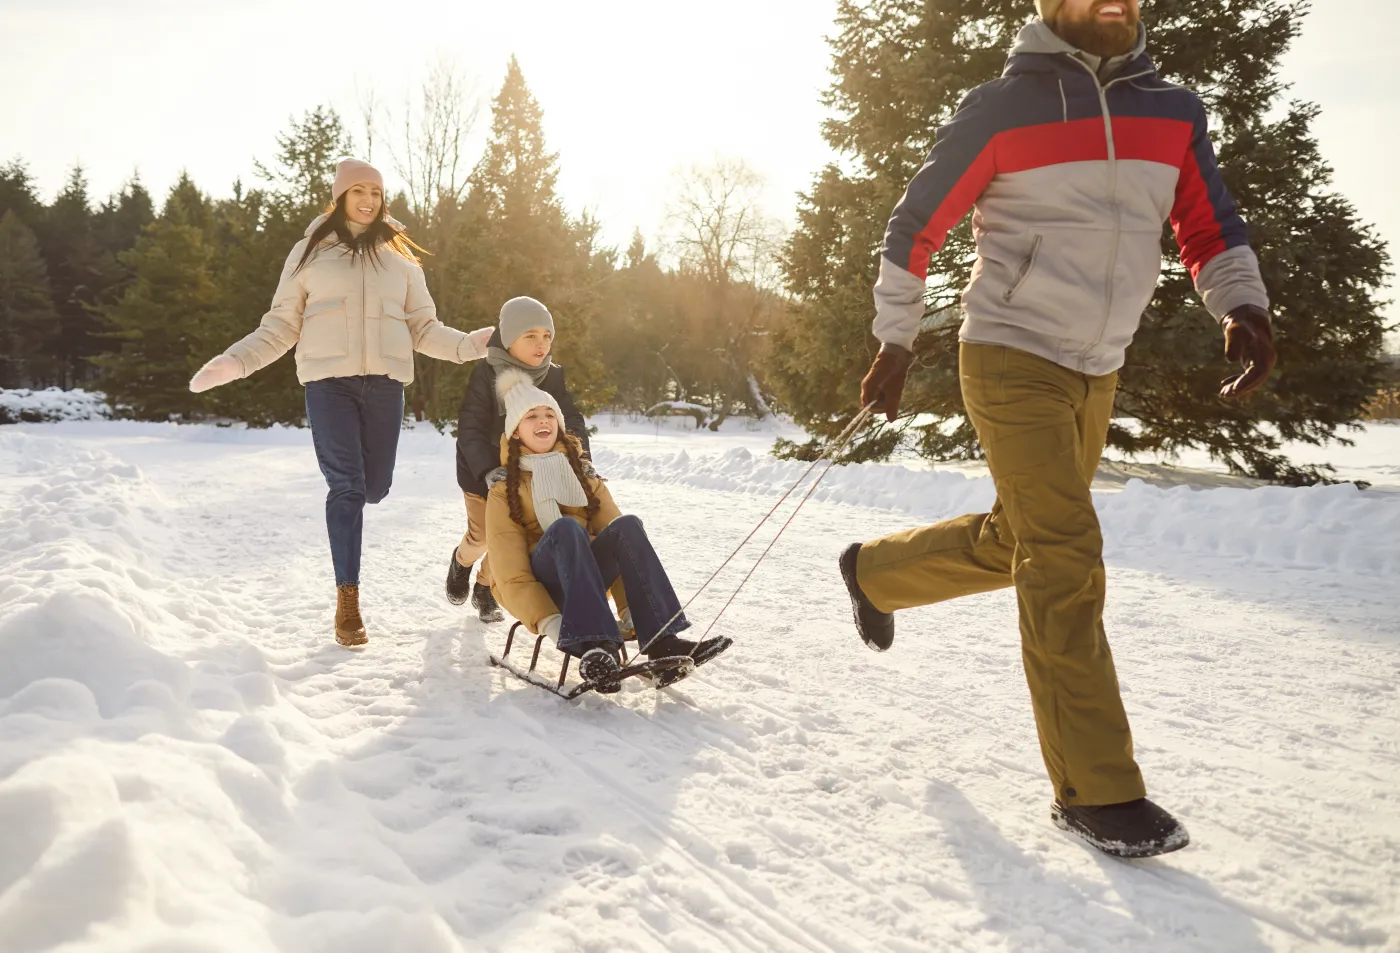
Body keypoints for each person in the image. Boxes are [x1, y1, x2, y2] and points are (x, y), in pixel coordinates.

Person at [842, 0, 1277, 858]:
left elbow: (1208, 223)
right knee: (1066, 551)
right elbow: (913, 224)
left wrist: (1243, 305)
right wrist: (894, 336)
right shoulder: (1004, 106)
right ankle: (1097, 789)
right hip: (1009, 353)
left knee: (1025, 538)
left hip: (1097, 363)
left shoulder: (1174, 112)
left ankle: (877, 571)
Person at [189, 159, 493, 647]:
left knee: (376, 488)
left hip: (385, 385)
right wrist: (236, 361)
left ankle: (355, 550)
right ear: (340, 197)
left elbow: (424, 328)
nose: (368, 199)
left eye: (375, 191)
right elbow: (281, 325)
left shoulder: (402, 262)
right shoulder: (309, 254)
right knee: (347, 488)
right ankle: (348, 600)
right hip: (328, 385)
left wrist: (469, 345)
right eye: (358, 191)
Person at [484, 368, 732, 692]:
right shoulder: (504, 489)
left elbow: (618, 542)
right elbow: (509, 574)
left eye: (549, 414)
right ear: (515, 432)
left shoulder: (582, 475)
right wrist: (551, 622)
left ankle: (662, 641)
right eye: (531, 416)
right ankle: (595, 646)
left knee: (627, 525)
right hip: (545, 585)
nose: (543, 421)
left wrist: (627, 609)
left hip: (585, 580)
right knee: (567, 528)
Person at [446, 296, 589, 624]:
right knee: (482, 535)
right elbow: (469, 426)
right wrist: (485, 469)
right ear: (509, 338)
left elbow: (572, 419)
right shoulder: (486, 374)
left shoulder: (552, 375)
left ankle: (485, 588)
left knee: (512, 537)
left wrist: (581, 458)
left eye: (547, 336)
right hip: (482, 470)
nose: (541, 345)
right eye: (531, 336)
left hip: (528, 471)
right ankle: (461, 561)